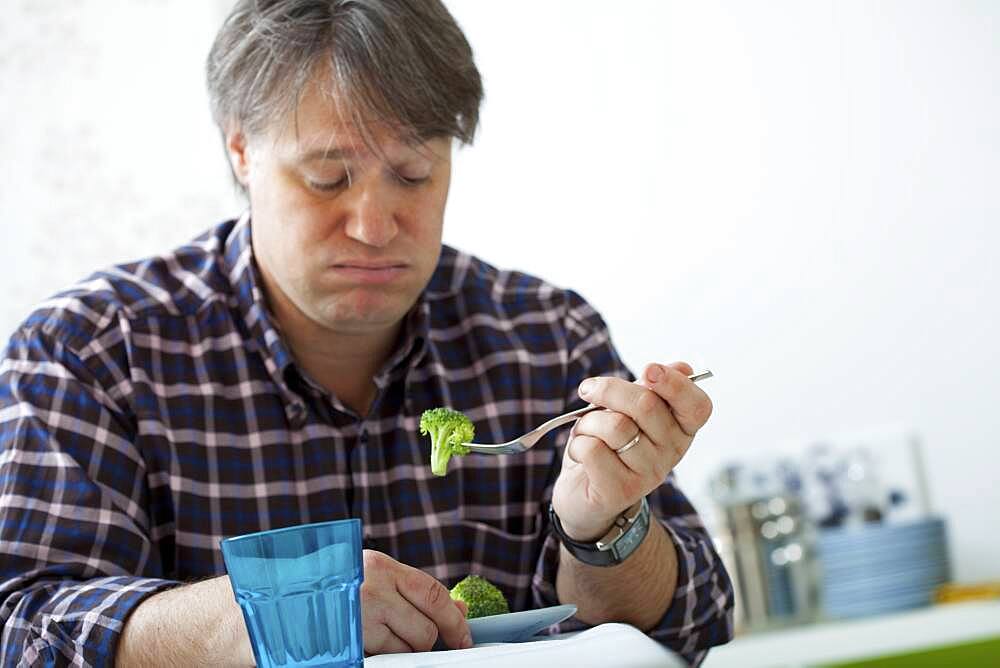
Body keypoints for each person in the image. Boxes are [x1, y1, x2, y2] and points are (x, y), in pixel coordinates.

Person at [0, 0, 733, 665]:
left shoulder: (549, 338)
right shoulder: (92, 352)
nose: (374, 227)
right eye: (326, 179)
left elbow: (696, 626)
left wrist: (603, 531)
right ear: (242, 153)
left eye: (413, 175)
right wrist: (261, 616)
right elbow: (21, 626)